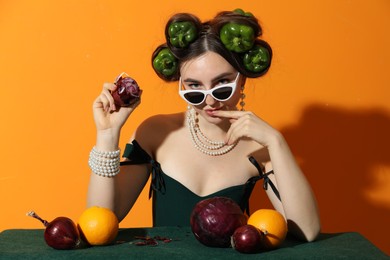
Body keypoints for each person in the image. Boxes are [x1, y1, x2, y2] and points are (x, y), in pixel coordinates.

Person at [87, 9, 321, 241]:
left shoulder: (259, 148)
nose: (209, 100)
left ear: (243, 79)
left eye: (222, 83)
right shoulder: (156, 132)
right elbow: (101, 221)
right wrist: (107, 134)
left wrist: (276, 141)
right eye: (194, 87)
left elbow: (307, 231)